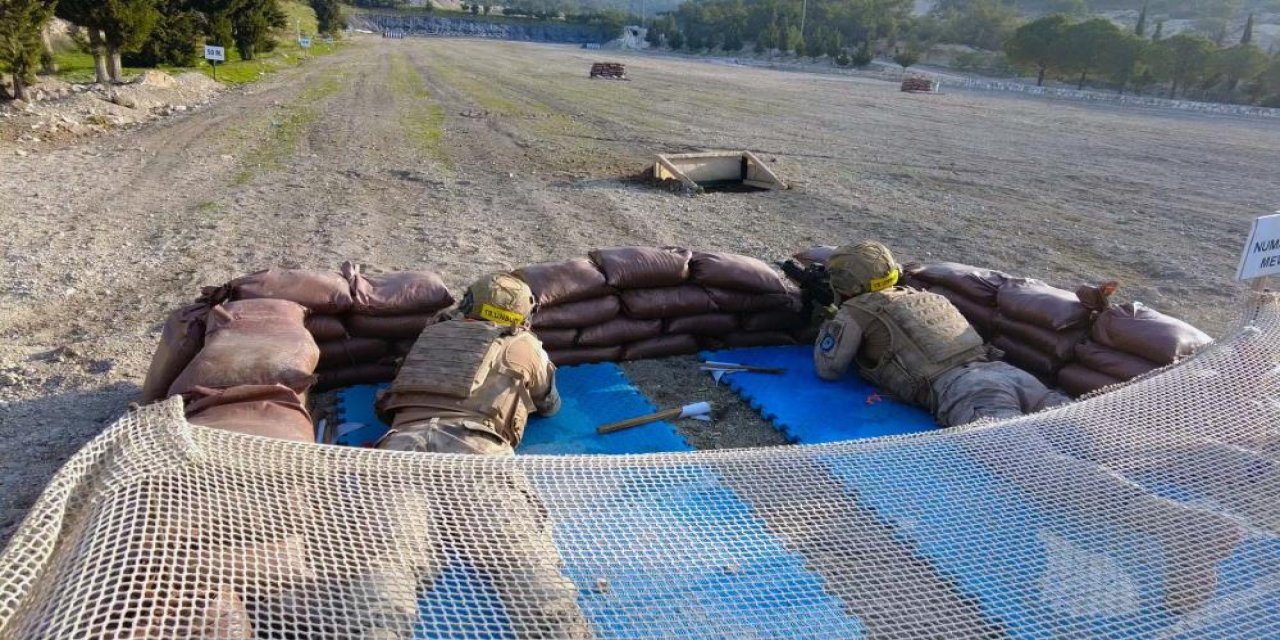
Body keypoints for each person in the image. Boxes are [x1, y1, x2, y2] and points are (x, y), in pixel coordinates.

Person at [358, 272, 590, 639]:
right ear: (522, 316)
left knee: (388, 563)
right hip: (477, 451)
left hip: (400, 447)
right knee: (522, 560)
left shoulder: (431, 336)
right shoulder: (524, 345)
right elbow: (548, 404)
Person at [813, 240, 1069, 427]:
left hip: (968, 391)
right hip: (1010, 374)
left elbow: (829, 369)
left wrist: (831, 321)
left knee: (1037, 466)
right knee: (1090, 432)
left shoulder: (857, 311)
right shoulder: (928, 297)